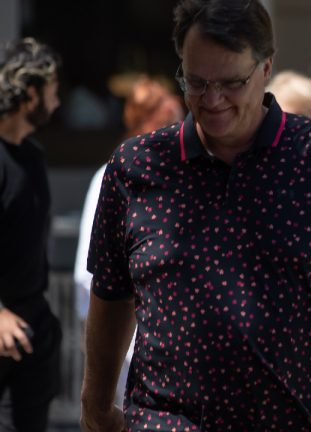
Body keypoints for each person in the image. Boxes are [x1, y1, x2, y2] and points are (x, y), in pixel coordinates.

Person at [79, 1, 311, 431]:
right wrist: (95, 404)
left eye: (231, 83)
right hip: (168, 420)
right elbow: (111, 294)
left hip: (296, 419)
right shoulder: (138, 165)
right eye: (196, 82)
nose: (212, 99)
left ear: (265, 68)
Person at [73, 76, 184, 403]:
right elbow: (88, 276)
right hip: (129, 345)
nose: (177, 132)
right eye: (170, 123)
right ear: (150, 122)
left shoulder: (181, 173)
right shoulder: (115, 176)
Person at [0, 37, 62, 432]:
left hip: (32, 330)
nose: (57, 102)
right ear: (30, 93)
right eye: (53, 90)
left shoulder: (34, 156)